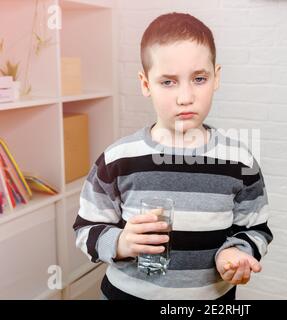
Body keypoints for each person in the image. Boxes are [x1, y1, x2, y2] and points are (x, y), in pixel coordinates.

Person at [73, 12, 273, 300]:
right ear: (145, 84)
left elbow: (256, 228)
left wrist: (236, 252)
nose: (185, 96)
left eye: (199, 78)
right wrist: (121, 243)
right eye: (168, 82)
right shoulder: (117, 159)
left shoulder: (239, 162)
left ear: (216, 77)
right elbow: (85, 228)